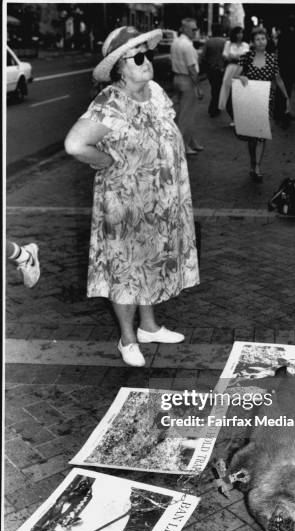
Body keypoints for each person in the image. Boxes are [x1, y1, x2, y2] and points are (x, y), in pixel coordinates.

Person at [64, 26, 200, 367]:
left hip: (158, 200)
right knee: (126, 268)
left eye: (147, 54)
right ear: (118, 69)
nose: (146, 61)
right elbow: (75, 144)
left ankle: (149, 327)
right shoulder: (110, 102)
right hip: (125, 203)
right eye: (136, 57)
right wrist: (108, 161)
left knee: (148, 261)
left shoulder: (154, 91)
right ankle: (127, 338)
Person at [234, 26, 290, 182]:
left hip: (266, 100)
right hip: (250, 98)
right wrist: (242, 78)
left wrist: (287, 98)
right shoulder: (246, 57)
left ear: (267, 40)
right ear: (252, 42)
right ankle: (253, 164)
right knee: (252, 136)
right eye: (257, 39)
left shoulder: (272, 58)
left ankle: (257, 166)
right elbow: (235, 75)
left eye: (263, 38)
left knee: (261, 134)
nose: (261, 42)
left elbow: (278, 80)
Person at [170, 18, 204, 155]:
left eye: (196, 29)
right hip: (187, 80)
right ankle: (183, 147)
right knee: (186, 116)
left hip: (176, 78)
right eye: (193, 29)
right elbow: (192, 68)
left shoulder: (176, 42)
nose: (195, 31)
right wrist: (199, 87)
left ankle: (191, 141)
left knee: (180, 114)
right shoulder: (187, 46)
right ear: (184, 29)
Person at [218, 26, 249, 125]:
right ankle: (233, 118)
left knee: (240, 94)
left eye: (241, 33)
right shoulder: (228, 44)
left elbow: (246, 58)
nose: (240, 35)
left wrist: (234, 57)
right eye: (238, 33)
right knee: (228, 93)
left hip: (241, 71)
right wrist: (238, 57)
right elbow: (225, 57)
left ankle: (240, 119)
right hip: (230, 70)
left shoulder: (245, 45)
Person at [275, 15, 295, 121]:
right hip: (290, 67)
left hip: (282, 66)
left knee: (280, 90)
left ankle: (277, 112)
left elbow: (279, 53)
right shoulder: (293, 36)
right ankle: (285, 112)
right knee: (288, 90)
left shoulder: (281, 36)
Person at [199, 23, 226, 117]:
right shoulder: (225, 42)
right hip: (222, 69)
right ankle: (214, 108)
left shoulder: (208, 42)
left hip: (211, 69)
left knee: (214, 88)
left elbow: (203, 57)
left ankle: (214, 108)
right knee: (218, 89)